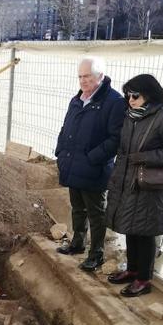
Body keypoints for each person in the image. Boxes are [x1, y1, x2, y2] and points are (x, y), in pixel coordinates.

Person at [106, 74, 163, 297]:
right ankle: (133, 270)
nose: (130, 99)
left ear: (149, 94)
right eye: (128, 95)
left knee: (145, 233)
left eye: (135, 95)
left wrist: (145, 157)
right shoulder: (132, 115)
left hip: (150, 185)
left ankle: (144, 279)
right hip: (129, 181)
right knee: (131, 229)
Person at [55, 57, 126, 272]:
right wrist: (60, 152)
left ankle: (96, 254)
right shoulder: (77, 100)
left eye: (87, 76)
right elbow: (66, 128)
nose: (83, 81)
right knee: (77, 208)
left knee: (96, 213)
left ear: (100, 77)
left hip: (94, 169)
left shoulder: (114, 102)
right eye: (80, 76)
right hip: (73, 164)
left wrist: (93, 158)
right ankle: (77, 242)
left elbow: (116, 138)